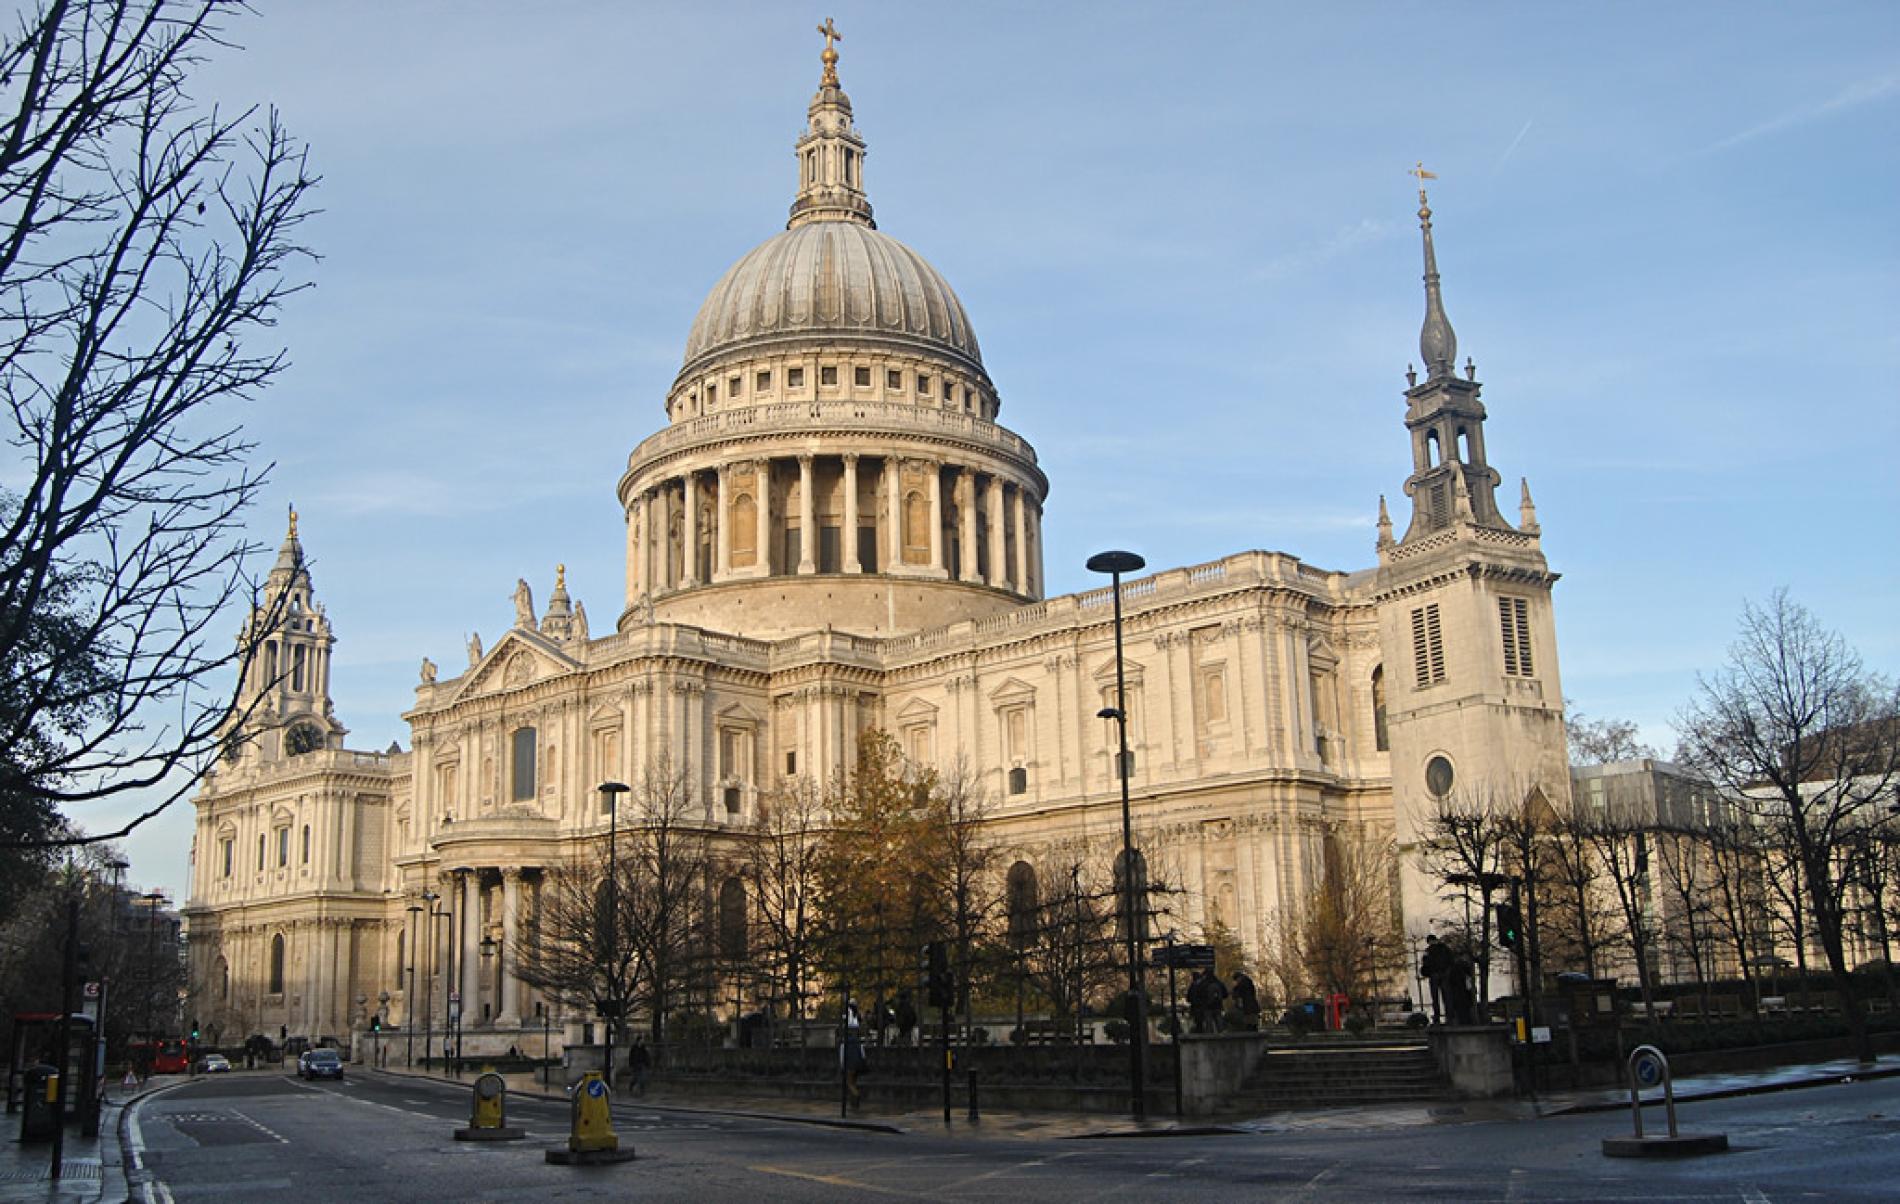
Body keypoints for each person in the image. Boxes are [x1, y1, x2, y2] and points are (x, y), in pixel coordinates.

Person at [1420, 934, 1454, 1024]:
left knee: (1435, 998)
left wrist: (1427, 972)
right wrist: (1447, 972)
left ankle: (1437, 1017)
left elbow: (1425, 963)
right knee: (1446, 997)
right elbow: (1451, 961)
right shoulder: (1445, 949)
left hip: (1434, 975)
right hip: (1444, 975)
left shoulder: (1428, 950)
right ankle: (1449, 1017)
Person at [839, 1000, 866, 1105]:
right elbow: (862, 1052)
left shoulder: (846, 1043)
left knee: (849, 1082)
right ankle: (853, 1100)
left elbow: (842, 1055)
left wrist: (842, 1065)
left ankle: (856, 1095)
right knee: (853, 1081)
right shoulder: (857, 1041)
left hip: (850, 1062)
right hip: (858, 1061)